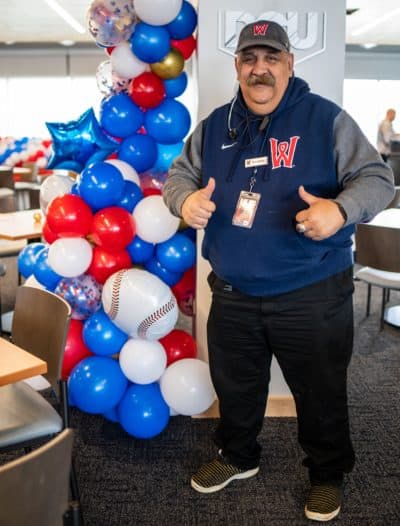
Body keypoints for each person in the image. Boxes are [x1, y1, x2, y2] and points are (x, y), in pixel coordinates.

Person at [162, 20, 394, 522]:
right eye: (249, 59)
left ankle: (327, 473)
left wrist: (339, 209)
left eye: (271, 58)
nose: (259, 69)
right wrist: (184, 201)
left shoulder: (325, 119)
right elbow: (179, 174)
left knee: (320, 392)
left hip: (311, 291)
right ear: (238, 67)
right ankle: (238, 456)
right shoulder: (216, 125)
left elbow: (378, 178)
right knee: (237, 386)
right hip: (234, 290)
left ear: (289, 64)